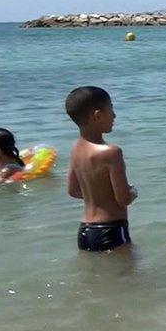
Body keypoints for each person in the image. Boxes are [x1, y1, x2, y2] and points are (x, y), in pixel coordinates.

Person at [65, 86, 138, 253]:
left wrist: (98, 195)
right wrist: (132, 192)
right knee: (126, 276)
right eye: (111, 109)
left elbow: (73, 190)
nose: (114, 115)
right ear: (98, 115)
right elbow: (123, 199)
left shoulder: (76, 149)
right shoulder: (111, 153)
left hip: (85, 231)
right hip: (111, 229)